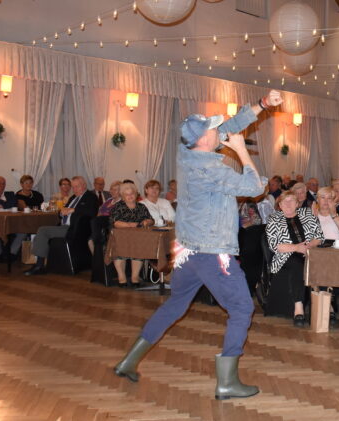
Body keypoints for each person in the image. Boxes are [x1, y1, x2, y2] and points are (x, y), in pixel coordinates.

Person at [113, 90, 280, 401]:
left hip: (187, 250)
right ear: (204, 139)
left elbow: (229, 126)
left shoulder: (186, 152)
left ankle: (129, 361)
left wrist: (261, 105)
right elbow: (256, 187)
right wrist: (241, 152)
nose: (221, 131)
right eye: (214, 129)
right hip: (212, 252)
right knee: (242, 308)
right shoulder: (211, 169)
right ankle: (227, 382)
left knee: (175, 304)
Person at [264, 191, 323, 325]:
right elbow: (274, 245)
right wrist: (296, 247)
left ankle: (327, 306)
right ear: (280, 205)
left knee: (322, 262)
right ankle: (298, 307)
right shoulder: (274, 219)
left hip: (310, 252)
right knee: (297, 263)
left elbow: (319, 236)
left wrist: (308, 247)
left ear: (297, 204)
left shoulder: (307, 214)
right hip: (286, 256)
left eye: (291, 200)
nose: (288, 203)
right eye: (284, 201)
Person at [24, 176, 99, 276]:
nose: (74, 189)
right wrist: (61, 212)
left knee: (43, 230)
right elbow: (63, 211)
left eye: (77, 186)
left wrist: (74, 210)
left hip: (75, 229)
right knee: (42, 229)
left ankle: (39, 265)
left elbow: (92, 212)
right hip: (64, 226)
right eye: (73, 187)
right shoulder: (73, 197)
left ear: (84, 185)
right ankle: (41, 264)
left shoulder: (91, 197)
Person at [110, 182, 154, 287]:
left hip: (138, 237)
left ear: (136, 194)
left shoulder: (141, 206)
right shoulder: (118, 206)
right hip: (119, 236)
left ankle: (135, 277)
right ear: (122, 196)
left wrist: (147, 222)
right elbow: (115, 223)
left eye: (132, 194)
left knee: (139, 247)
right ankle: (122, 277)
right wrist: (130, 225)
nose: (130, 196)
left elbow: (151, 220)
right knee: (119, 249)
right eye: (127, 194)